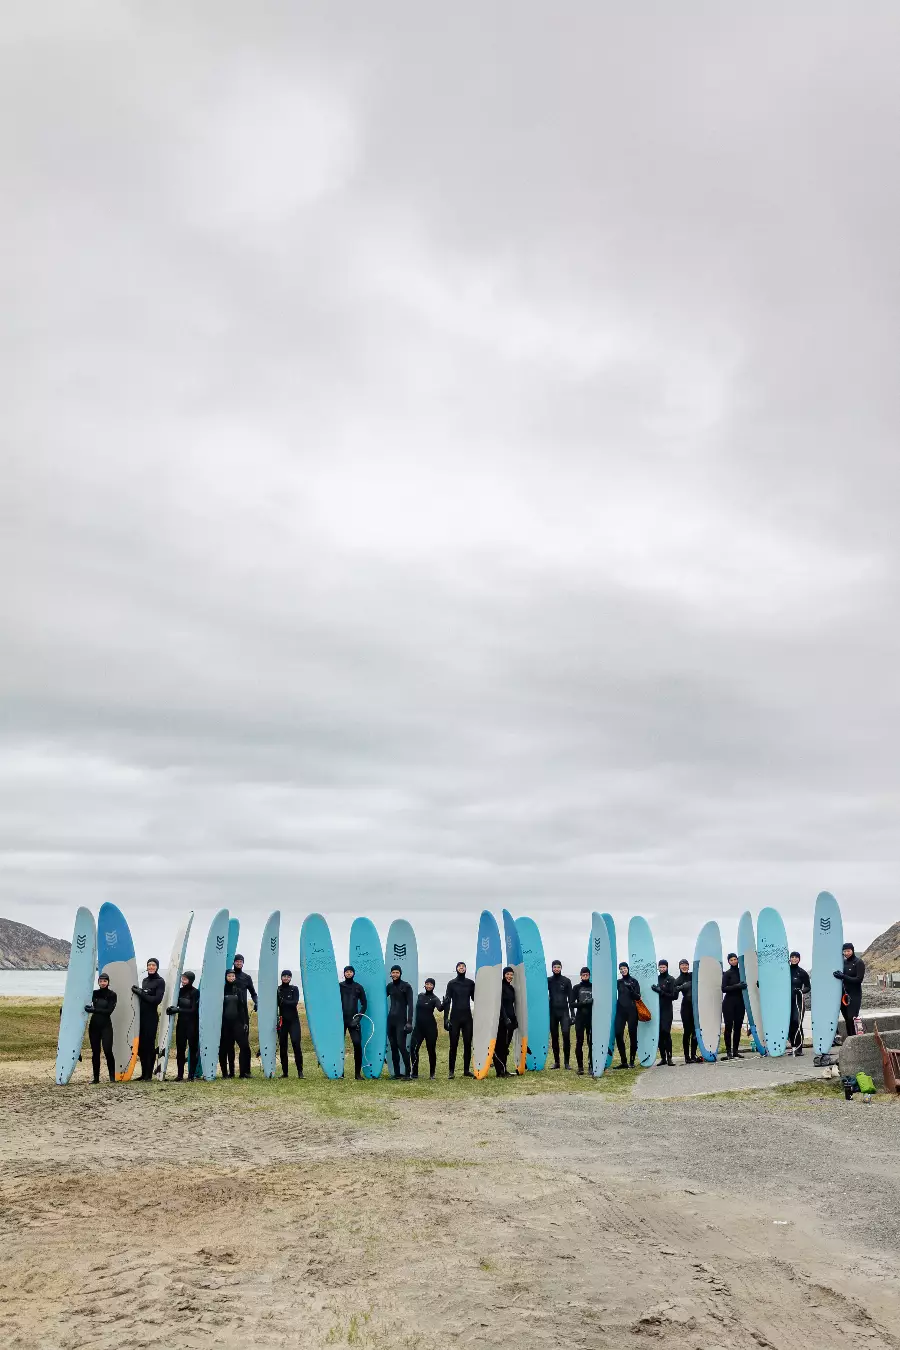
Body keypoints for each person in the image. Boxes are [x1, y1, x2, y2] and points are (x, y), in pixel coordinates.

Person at [131, 958, 165, 1080]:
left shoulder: (160, 981)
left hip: (151, 1017)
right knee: (141, 1046)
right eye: (149, 965)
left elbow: (156, 1000)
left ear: (157, 967)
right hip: (141, 1017)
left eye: (153, 965)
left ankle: (149, 1075)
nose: (151, 967)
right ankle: (143, 1073)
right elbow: (143, 999)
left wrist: (141, 993)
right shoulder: (145, 981)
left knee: (149, 1046)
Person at [444, 961, 476, 1079]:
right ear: (456, 969)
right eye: (459, 966)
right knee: (453, 1045)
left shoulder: (470, 983)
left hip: (467, 1018)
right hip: (455, 1018)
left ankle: (466, 1070)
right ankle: (451, 1071)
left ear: (466, 969)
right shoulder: (451, 983)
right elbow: (447, 1002)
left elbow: (475, 998)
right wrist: (445, 1019)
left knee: (467, 1044)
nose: (461, 968)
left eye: (463, 966)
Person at [166, 970, 199, 1081]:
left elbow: (193, 1010)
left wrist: (178, 1010)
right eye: (182, 979)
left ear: (191, 980)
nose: (183, 981)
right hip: (181, 1025)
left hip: (193, 1025)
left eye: (185, 979)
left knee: (193, 1050)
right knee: (180, 1049)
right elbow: (173, 1003)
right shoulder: (179, 991)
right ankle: (180, 1075)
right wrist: (170, 1008)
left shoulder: (195, 992)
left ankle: (191, 1075)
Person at [85, 971, 117, 1083]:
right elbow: (82, 1001)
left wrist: (94, 1010)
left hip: (106, 1026)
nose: (103, 983)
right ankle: (96, 1079)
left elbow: (109, 1011)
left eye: (105, 981)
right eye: (101, 981)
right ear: (98, 982)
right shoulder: (94, 993)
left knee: (108, 1051)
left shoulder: (112, 995)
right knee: (95, 1052)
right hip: (94, 1026)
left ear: (108, 982)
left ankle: (112, 1078)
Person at [219, 968, 251, 1078]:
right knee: (226, 1048)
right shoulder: (221, 990)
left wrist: (245, 1022)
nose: (231, 978)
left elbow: (243, 1007)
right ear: (225, 977)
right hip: (225, 1024)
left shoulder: (238, 990)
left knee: (244, 1046)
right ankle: (227, 1073)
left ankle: (242, 1073)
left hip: (237, 1022)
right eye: (229, 976)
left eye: (233, 976)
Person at [410, 979, 444, 1080]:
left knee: (431, 1050)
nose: (428, 986)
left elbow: (440, 1008)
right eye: (427, 984)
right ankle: (414, 1073)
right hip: (418, 1028)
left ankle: (432, 1074)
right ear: (424, 985)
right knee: (413, 1049)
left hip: (431, 1028)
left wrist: (445, 1004)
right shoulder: (420, 996)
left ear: (433, 986)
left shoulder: (435, 999)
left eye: (431, 984)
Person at [232, 954, 258, 1079]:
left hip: (243, 1015)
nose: (238, 963)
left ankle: (245, 1072)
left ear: (243, 963)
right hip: (229, 1014)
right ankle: (229, 1073)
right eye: (237, 961)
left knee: (245, 1045)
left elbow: (253, 993)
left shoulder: (246, 977)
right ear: (233, 962)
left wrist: (257, 1002)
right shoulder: (229, 976)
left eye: (240, 961)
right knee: (228, 1046)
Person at [339, 965, 368, 1079]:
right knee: (339, 1046)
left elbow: (364, 1004)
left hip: (353, 1020)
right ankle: (340, 1072)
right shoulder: (339, 986)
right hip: (341, 1020)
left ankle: (357, 1074)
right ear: (344, 973)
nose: (348, 973)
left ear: (353, 973)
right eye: (347, 972)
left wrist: (357, 1019)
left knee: (357, 1044)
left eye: (350, 971)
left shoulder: (358, 987)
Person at [386, 964, 414, 1078]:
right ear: (390, 974)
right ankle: (397, 1073)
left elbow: (411, 1005)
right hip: (390, 1020)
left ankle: (408, 1073)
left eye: (397, 972)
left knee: (401, 1046)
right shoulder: (389, 987)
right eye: (393, 972)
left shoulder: (406, 986)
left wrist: (409, 1021)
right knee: (393, 1046)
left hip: (401, 1021)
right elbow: (380, 999)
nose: (395, 974)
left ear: (400, 973)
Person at [834, 944, 866, 1038]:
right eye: (844, 951)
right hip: (843, 995)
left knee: (852, 1018)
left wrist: (843, 976)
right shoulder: (842, 962)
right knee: (847, 1019)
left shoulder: (858, 962)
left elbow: (859, 980)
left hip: (855, 994)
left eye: (848, 951)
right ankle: (850, 1039)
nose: (846, 953)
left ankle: (856, 1039)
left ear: (852, 950)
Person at [276, 969, 303, 1078]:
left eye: (288, 976)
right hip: (283, 1022)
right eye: (284, 976)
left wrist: (283, 1001)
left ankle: (300, 1072)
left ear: (291, 978)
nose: (286, 978)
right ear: (281, 977)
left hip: (293, 1021)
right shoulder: (278, 989)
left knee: (296, 1044)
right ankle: (285, 1073)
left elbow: (294, 1002)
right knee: (283, 1047)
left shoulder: (294, 989)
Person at [614, 962, 640, 1069]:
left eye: (624, 968)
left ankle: (632, 1061)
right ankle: (624, 1061)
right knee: (618, 1033)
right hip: (620, 1011)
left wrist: (631, 989)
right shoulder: (618, 982)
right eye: (621, 969)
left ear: (628, 969)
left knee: (633, 1035)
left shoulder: (634, 981)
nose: (623, 970)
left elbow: (638, 997)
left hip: (632, 1011)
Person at [547, 960, 573, 1070]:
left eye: (558, 967)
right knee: (554, 1037)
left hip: (564, 1013)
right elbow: (541, 994)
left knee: (566, 1036)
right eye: (555, 967)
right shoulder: (548, 980)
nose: (556, 969)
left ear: (561, 968)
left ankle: (566, 1063)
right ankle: (557, 1062)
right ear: (552, 968)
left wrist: (573, 1015)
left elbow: (571, 999)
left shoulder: (566, 981)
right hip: (552, 1012)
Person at [652, 959, 678, 1066]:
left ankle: (670, 1058)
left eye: (664, 967)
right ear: (658, 967)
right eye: (660, 967)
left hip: (667, 1010)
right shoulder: (656, 979)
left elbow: (674, 996)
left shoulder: (671, 979)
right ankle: (663, 1058)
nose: (662, 969)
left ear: (667, 967)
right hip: (657, 1011)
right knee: (659, 1034)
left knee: (666, 1032)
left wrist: (661, 992)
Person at [721, 953, 746, 1059]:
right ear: (728, 962)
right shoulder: (727, 974)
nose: (734, 961)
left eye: (735, 959)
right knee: (728, 1027)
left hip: (740, 1003)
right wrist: (737, 986)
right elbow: (724, 988)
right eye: (731, 960)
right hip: (729, 1003)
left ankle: (735, 1051)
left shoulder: (742, 973)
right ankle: (728, 1052)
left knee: (738, 1027)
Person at [493, 966, 517, 1076]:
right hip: (502, 1020)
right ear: (503, 974)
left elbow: (511, 1005)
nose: (509, 976)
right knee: (500, 1046)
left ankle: (504, 1070)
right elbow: (500, 1004)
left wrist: (514, 1019)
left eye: (511, 974)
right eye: (507, 974)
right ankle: (500, 1071)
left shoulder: (511, 988)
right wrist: (505, 1017)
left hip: (510, 1021)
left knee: (506, 1046)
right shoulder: (500, 987)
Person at [570, 966, 593, 1076]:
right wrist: (583, 1003)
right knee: (579, 1042)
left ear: (589, 975)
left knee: (591, 1043)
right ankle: (580, 1067)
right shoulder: (576, 987)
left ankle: (591, 1065)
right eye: (583, 975)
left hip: (591, 1018)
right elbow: (571, 1003)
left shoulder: (594, 987)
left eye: (587, 974)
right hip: (580, 1018)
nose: (585, 976)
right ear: (580, 976)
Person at [674, 959, 698, 1062]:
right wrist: (680, 988)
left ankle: (693, 1055)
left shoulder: (693, 975)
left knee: (695, 1031)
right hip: (686, 1007)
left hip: (695, 1006)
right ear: (679, 967)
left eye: (686, 965)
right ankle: (687, 1057)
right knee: (687, 1032)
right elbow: (674, 996)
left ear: (688, 966)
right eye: (682, 965)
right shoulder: (678, 980)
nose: (684, 967)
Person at [788, 952, 811, 1055]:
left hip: (798, 1001)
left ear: (799, 959)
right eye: (792, 957)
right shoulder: (785, 971)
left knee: (797, 1022)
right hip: (786, 1002)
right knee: (789, 1024)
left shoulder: (802, 972)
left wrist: (800, 991)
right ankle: (793, 1046)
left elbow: (808, 987)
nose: (794, 959)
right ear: (789, 959)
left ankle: (799, 1049)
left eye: (796, 957)